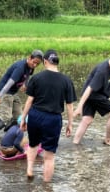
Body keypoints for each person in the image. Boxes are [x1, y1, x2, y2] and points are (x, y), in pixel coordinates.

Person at [20, 49, 77, 182]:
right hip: (53, 119)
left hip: (35, 115)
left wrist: (23, 118)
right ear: (57, 62)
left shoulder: (37, 78)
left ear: (45, 61)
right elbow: (69, 105)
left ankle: (29, 169)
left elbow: (29, 100)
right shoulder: (66, 80)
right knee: (49, 156)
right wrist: (70, 123)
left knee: (33, 145)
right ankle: (46, 186)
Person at [73, 48, 110, 145]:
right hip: (94, 94)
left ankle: (75, 143)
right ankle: (108, 139)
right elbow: (89, 89)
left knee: (87, 120)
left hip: (95, 94)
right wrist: (79, 107)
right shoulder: (102, 71)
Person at [0, 49, 44, 133]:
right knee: (6, 117)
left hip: (13, 92)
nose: (35, 65)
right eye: (34, 62)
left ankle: (7, 133)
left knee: (19, 117)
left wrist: (24, 84)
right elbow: (8, 84)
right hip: (5, 92)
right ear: (29, 58)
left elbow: (28, 75)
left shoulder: (31, 67)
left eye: (38, 64)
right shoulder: (20, 68)